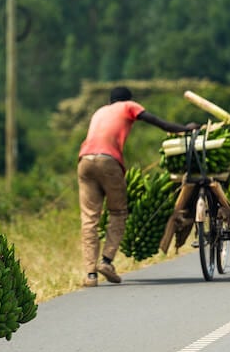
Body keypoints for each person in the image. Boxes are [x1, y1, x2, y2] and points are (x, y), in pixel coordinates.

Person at [77, 86, 199, 287]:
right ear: (127, 99)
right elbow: (157, 122)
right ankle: (106, 261)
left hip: (84, 161)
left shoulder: (100, 111)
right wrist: (185, 129)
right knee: (118, 212)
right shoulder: (129, 106)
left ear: (110, 101)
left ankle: (90, 275)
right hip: (107, 161)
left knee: (90, 219)